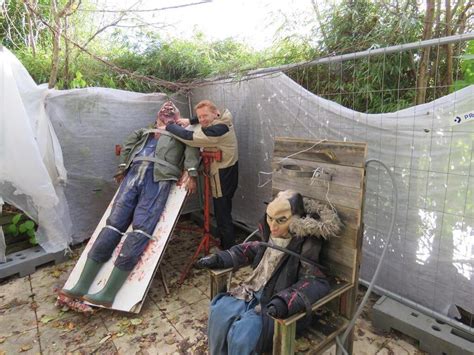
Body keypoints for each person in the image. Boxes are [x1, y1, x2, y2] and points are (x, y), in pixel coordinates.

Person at [61, 101, 200, 307]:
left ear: (178, 117)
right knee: (113, 224)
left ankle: (108, 292)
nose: (168, 106)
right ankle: (82, 285)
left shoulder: (182, 133)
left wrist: (191, 172)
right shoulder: (144, 131)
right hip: (133, 175)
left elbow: (192, 150)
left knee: (141, 229)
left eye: (172, 107)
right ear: (157, 115)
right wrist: (123, 166)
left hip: (158, 179)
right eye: (164, 106)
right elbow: (127, 146)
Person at [196, 190, 342, 354]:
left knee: (242, 335)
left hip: (276, 305)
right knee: (219, 311)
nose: (273, 226)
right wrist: (220, 258)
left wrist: (284, 302)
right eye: (270, 218)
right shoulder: (269, 231)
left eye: (281, 220)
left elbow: (316, 280)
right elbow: (251, 249)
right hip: (252, 292)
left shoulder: (306, 243)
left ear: (296, 219)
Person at [164, 100, 238, 249]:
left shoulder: (218, 131)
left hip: (222, 176)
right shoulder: (223, 117)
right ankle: (226, 242)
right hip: (228, 170)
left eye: (205, 116)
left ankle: (228, 249)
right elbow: (204, 118)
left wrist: (169, 125)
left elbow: (189, 138)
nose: (202, 119)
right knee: (223, 210)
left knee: (222, 213)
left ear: (215, 113)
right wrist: (190, 120)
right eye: (200, 116)